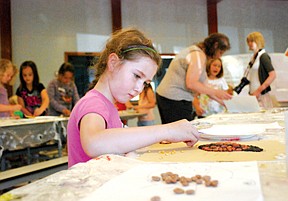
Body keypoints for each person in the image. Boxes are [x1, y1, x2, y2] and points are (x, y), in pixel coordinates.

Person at [67, 28, 200, 167]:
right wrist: (167, 130)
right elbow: (94, 143)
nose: (139, 88)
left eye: (145, 83)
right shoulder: (93, 103)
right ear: (113, 62)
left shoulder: (108, 105)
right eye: (137, 76)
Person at [156, 33, 232, 124]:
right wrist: (216, 92)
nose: (219, 56)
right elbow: (191, 83)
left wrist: (224, 102)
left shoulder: (198, 54)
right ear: (215, 46)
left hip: (169, 97)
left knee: (178, 132)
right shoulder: (197, 55)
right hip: (174, 99)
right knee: (181, 133)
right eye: (220, 52)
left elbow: (205, 87)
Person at [245, 31, 276, 108]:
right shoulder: (253, 58)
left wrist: (258, 90)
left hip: (261, 95)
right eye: (249, 41)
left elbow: (272, 75)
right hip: (253, 94)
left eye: (252, 41)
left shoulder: (263, 56)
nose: (250, 43)